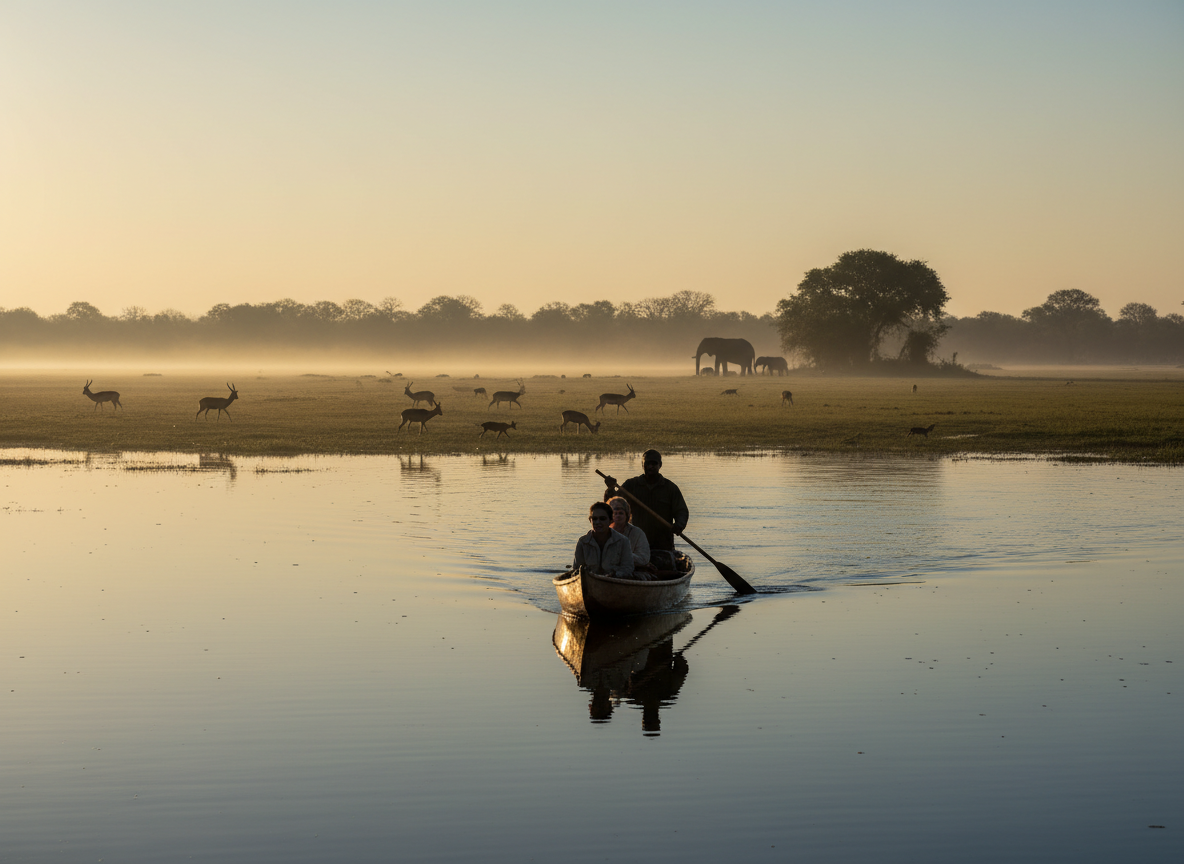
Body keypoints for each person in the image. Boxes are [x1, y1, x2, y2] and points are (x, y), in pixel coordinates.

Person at [602, 450, 688, 565]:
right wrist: (610, 489)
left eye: (654, 464)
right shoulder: (631, 485)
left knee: (663, 567)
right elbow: (612, 505)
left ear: (660, 465)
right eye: (647, 464)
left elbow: (681, 510)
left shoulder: (670, 488)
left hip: (662, 543)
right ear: (643, 465)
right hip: (635, 541)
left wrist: (679, 525)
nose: (650, 467)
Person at [573, 501, 635, 579]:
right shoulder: (583, 542)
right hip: (590, 581)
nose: (598, 522)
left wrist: (614, 575)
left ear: (611, 520)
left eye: (602, 519)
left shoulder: (623, 541)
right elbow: (577, 569)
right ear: (590, 520)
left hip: (614, 582)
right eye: (594, 519)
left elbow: (628, 568)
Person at [608, 496, 652, 571]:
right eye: (615, 513)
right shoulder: (601, 532)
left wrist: (621, 555)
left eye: (621, 513)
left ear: (627, 515)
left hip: (632, 570)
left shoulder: (637, 533)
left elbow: (644, 559)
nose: (617, 516)